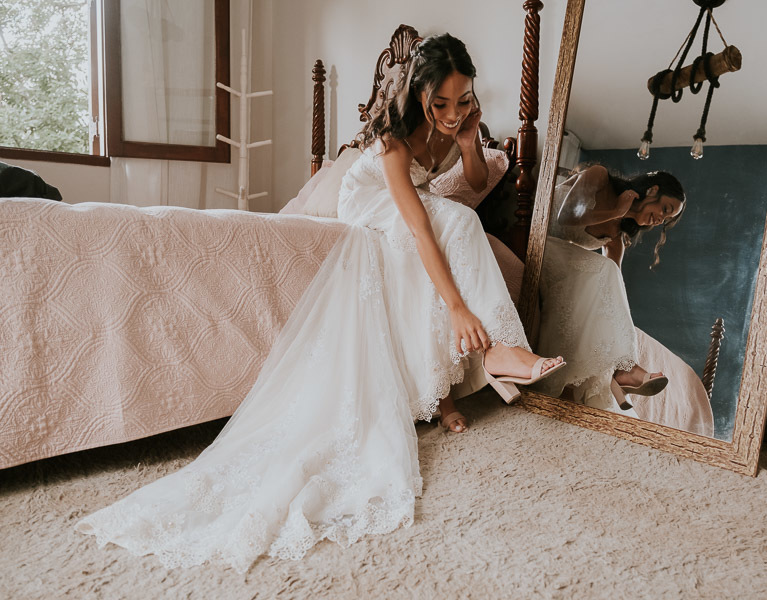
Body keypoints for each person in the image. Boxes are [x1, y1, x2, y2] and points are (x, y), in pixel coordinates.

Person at [75, 33, 563, 572]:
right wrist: (457, 307)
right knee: (446, 229)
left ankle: (442, 390)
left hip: (410, 204)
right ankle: (496, 350)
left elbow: (474, 180)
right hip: (365, 201)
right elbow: (420, 226)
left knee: (441, 235)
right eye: (440, 104)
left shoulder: (457, 126)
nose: (451, 114)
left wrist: (469, 141)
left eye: (462, 100)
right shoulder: (393, 141)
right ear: (419, 95)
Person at [532, 164, 685, 411]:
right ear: (652, 190)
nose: (660, 220)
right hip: (532, 235)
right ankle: (624, 370)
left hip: (556, 259)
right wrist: (616, 210)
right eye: (665, 209)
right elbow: (567, 215)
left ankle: (615, 370)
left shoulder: (617, 235)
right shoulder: (599, 176)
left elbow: (612, 289)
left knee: (604, 280)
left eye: (666, 220)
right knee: (602, 270)